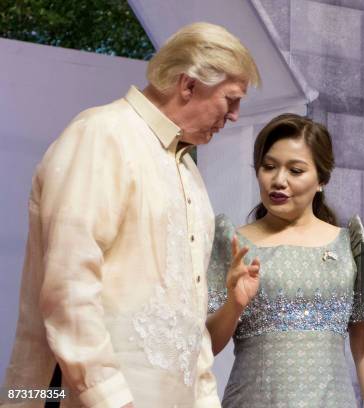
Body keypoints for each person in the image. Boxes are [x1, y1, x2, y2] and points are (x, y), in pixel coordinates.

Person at [4, 22, 260, 407]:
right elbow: (69, 288)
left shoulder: (188, 172)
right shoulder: (102, 135)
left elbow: (188, 324)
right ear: (188, 85)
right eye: (231, 99)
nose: (236, 115)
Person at [205, 113, 364, 407]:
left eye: (295, 170)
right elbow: (207, 346)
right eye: (269, 167)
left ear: (322, 179)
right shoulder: (231, 241)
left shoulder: (350, 243)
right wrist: (234, 303)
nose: (279, 181)